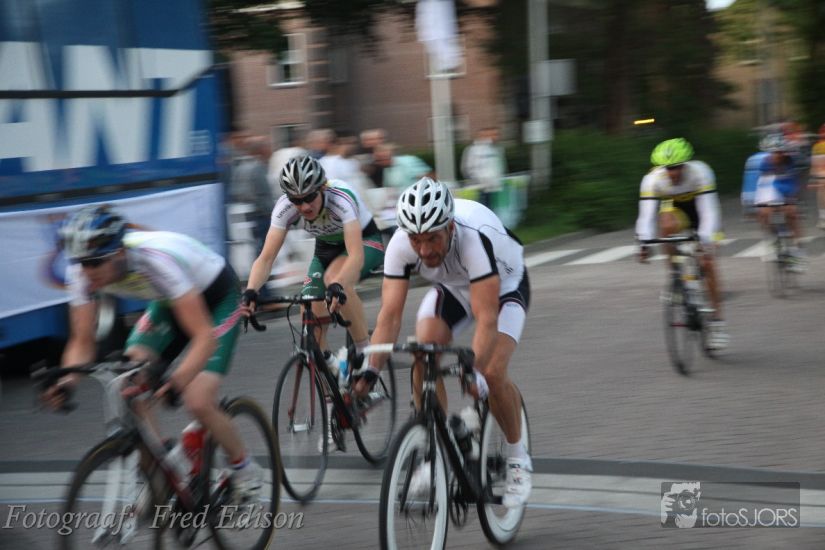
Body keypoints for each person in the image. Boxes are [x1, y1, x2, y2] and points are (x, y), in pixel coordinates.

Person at [42, 205, 261, 496]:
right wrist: (67, 380)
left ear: (119, 253)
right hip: (171, 300)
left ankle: (245, 470)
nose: (87, 271)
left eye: (95, 262)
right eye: (81, 263)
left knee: (197, 400)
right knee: (129, 384)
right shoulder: (81, 273)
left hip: (217, 297)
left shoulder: (156, 262)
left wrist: (177, 381)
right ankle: (168, 472)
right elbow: (82, 341)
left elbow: (204, 338)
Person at [358, 177, 532, 508]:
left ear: (450, 227)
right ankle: (433, 451)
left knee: (491, 373)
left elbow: (487, 318)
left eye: (432, 239)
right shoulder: (400, 244)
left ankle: (517, 459)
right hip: (455, 288)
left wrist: (474, 368)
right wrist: (369, 372)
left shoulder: (473, 238)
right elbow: (389, 317)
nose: (424, 250)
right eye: (416, 240)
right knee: (423, 353)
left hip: (505, 287)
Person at [241, 155, 385, 448]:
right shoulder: (284, 208)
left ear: (322, 188)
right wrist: (252, 291)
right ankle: (334, 405)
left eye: (309, 197)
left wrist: (339, 285)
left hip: (364, 244)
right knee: (311, 318)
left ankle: (364, 350)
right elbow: (266, 258)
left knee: (335, 280)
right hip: (325, 249)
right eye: (297, 200)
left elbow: (355, 256)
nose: (304, 206)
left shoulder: (341, 198)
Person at [635, 138, 728, 350]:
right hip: (677, 210)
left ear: (685, 164)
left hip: (702, 212)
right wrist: (643, 244)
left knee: (708, 263)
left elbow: (709, 212)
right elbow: (646, 216)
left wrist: (705, 242)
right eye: (668, 168)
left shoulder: (700, 172)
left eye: (677, 167)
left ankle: (717, 322)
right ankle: (675, 276)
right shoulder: (652, 180)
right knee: (665, 224)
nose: (673, 173)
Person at [754, 133, 807, 269]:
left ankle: (798, 251)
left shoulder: (791, 162)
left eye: (779, 152)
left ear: (784, 152)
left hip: (788, 186)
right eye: (773, 152)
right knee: (763, 212)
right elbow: (763, 186)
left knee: (791, 213)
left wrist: (793, 200)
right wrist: (761, 205)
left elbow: (795, 184)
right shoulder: (764, 163)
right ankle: (772, 239)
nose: (776, 155)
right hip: (771, 187)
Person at [461, 127, 507, 209]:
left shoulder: (496, 149)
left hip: (494, 188)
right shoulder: (474, 150)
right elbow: (469, 169)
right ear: (483, 135)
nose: (496, 137)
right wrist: (482, 181)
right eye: (493, 134)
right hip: (481, 189)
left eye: (496, 134)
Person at [809, 123, 825, 230]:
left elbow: (814, 165)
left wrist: (812, 178)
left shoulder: (817, 146)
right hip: (822, 176)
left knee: (821, 197)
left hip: (821, 176)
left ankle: (822, 219)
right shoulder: (818, 146)